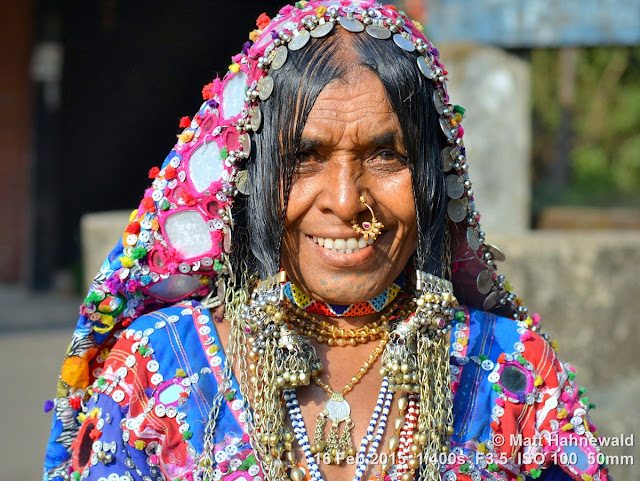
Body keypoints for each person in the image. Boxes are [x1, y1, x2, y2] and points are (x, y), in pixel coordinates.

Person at [43, 2, 611, 481]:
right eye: (304, 158)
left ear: (433, 179)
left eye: (387, 156)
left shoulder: (514, 373)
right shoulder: (152, 373)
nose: (345, 201)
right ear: (249, 176)